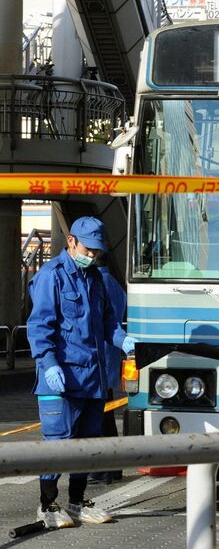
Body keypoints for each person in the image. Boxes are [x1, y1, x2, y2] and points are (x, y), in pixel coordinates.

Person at [27, 216, 136, 529]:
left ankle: (77, 502)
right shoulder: (52, 276)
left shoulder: (96, 279)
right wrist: (48, 364)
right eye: (89, 249)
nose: (93, 256)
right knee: (58, 443)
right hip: (59, 378)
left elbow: (107, 326)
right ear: (71, 241)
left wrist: (123, 339)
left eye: (98, 252)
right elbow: (39, 327)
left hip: (92, 378)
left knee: (87, 443)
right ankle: (47, 504)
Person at [87, 264, 127, 484]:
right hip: (109, 355)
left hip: (95, 358)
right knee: (106, 415)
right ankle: (113, 467)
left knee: (96, 418)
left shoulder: (97, 283)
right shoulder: (114, 284)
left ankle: (100, 469)